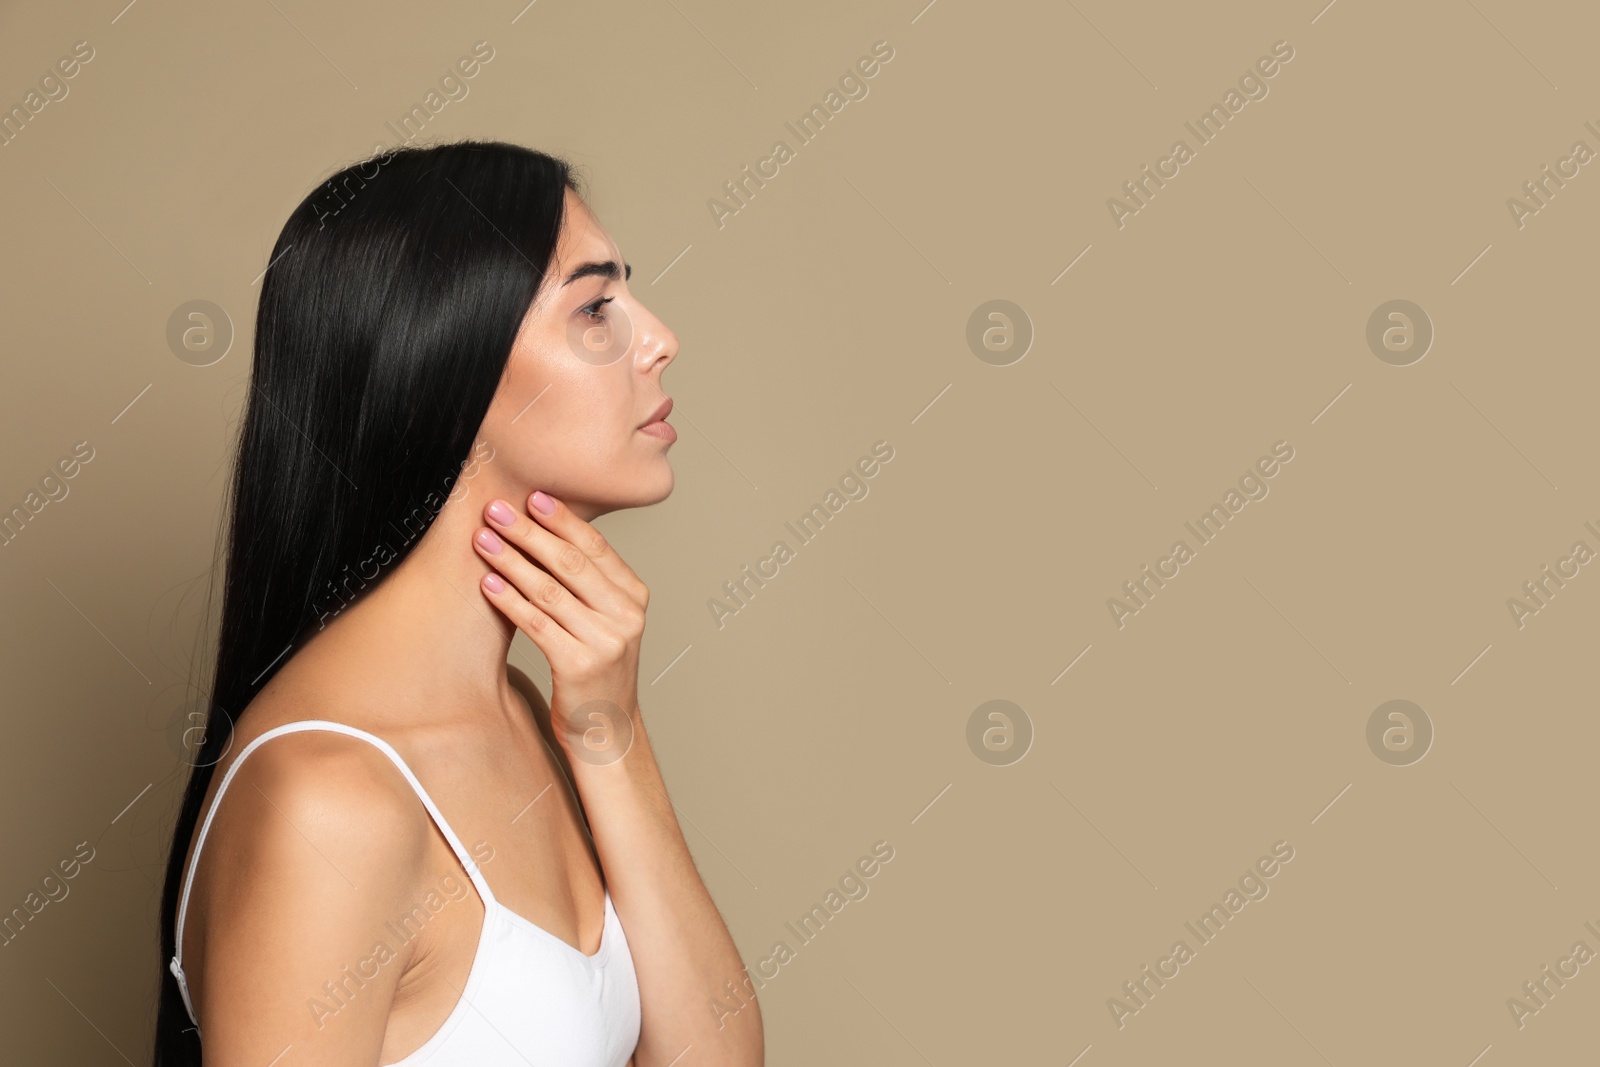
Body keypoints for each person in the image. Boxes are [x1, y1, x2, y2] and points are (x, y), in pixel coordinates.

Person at [153, 139, 763, 1066]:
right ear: (445, 367)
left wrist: (612, 736)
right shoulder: (327, 800)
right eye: (596, 307)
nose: (658, 338)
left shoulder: (525, 711)